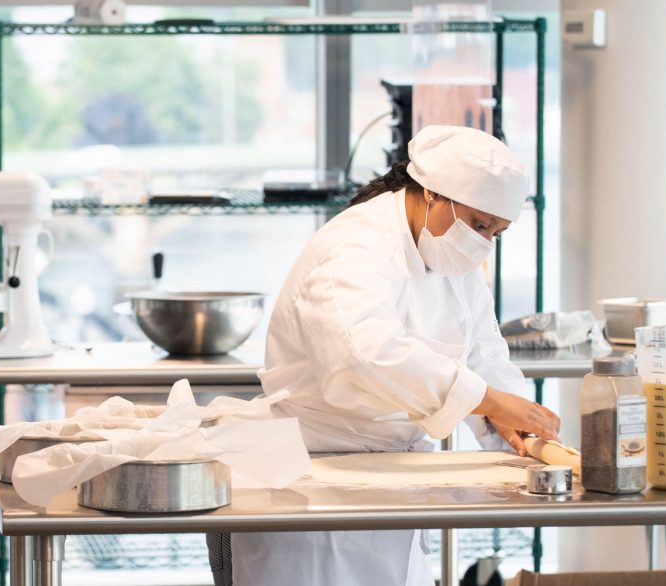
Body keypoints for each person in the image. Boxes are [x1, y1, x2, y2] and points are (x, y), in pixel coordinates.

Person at [224, 126, 562, 586]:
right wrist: (488, 400)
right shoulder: (356, 245)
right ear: (430, 194)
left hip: (393, 475)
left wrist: (514, 417)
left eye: (497, 234)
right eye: (480, 225)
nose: (483, 242)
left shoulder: (450, 254)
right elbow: (364, 355)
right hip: (314, 478)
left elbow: (482, 346)